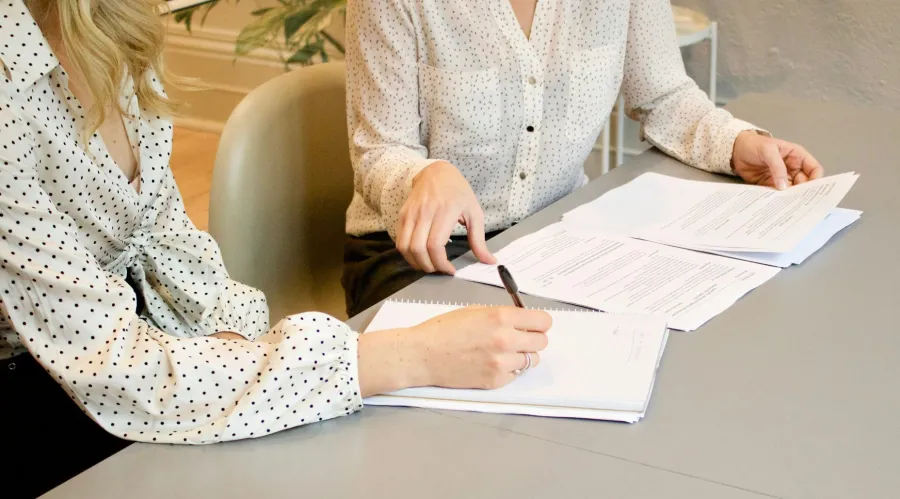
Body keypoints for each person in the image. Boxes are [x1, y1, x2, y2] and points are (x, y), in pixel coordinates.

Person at [0, 1, 552, 497]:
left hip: (140, 349)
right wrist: (413, 357)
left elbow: (168, 241)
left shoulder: (113, 25)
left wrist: (235, 343)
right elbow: (116, 366)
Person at [342, 0, 826, 317]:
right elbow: (379, 150)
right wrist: (424, 176)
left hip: (555, 238)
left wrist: (738, 143)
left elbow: (662, 95)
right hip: (417, 254)